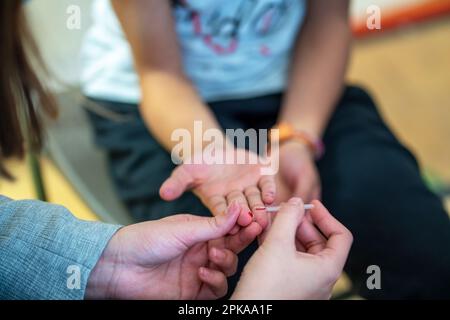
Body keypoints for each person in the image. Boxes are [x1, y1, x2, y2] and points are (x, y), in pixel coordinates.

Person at [80, 0, 450, 299]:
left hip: (296, 82)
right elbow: (160, 73)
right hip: (163, 105)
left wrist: (297, 137)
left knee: (427, 254)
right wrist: (213, 152)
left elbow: (329, 21)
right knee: (219, 274)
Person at [0, 0, 352, 300]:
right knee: (232, 268)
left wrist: (110, 264)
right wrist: (257, 301)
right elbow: (159, 72)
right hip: (153, 107)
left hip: (292, 88)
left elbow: (331, 21)